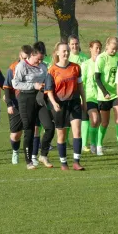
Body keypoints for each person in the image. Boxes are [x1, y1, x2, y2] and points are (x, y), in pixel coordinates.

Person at [12, 41, 56, 170]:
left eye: (42, 59)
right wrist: (33, 86)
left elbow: (47, 80)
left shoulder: (43, 67)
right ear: (32, 54)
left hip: (40, 98)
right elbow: (15, 84)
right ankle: (29, 161)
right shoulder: (22, 66)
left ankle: (43, 155)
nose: (39, 62)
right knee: (29, 130)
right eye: (38, 59)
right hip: (26, 99)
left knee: (50, 127)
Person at [46, 42, 87, 171]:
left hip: (74, 102)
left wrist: (84, 101)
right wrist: (54, 103)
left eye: (67, 51)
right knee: (61, 135)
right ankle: (63, 162)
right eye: (63, 51)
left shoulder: (76, 67)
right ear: (57, 53)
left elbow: (80, 86)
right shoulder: (52, 70)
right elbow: (49, 90)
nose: (66, 53)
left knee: (77, 131)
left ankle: (76, 162)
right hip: (59, 105)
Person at [94, 37, 118, 156]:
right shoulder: (101, 58)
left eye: (116, 49)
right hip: (104, 96)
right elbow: (97, 78)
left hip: (116, 94)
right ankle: (99, 145)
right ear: (107, 47)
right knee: (105, 122)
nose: (114, 51)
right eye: (112, 49)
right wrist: (105, 92)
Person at [3, 45, 33, 164]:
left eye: (28, 57)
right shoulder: (13, 68)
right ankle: (15, 151)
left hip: (30, 103)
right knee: (16, 134)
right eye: (24, 58)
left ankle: (32, 156)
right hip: (16, 105)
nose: (26, 60)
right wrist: (9, 104)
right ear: (20, 55)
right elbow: (6, 87)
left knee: (32, 130)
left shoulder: (33, 66)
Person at [80, 40, 102, 154]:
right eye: (96, 48)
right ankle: (93, 144)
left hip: (102, 97)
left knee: (101, 122)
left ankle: (98, 145)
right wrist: (81, 99)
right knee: (94, 119)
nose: (98, 50)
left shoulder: (103, 63)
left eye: (99, 48)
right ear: (90, 49)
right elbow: (81, 83)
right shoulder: (85, 65)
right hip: (89, 97)